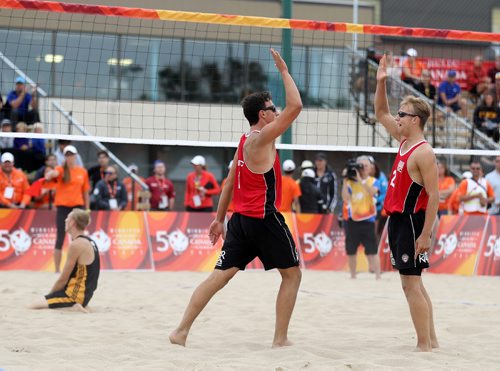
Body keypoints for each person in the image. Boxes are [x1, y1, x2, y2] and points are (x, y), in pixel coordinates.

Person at [170, 49, 302, 348]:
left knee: (218, 278)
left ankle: (180, 331)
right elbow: (296, 106)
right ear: (262, 115)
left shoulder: (244, 141)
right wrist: (283, 69)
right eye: (272, 107)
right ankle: (280, 339)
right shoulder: (261, 138)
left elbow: (230, 180)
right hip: (264, 220)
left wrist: (218, 218)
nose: (277, 110)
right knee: (292, 276)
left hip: (240, 221)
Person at [375, 54, 440, 352]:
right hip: (400, 221)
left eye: (402, 114)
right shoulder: (404, 142)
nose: (397, 117)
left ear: (415, 120)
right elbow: (379, 113)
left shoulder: (423, 152)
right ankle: (432, 341)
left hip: (412, 223)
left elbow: (435, 197)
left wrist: (426, 234)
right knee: (415, 283)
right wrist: (381, 81)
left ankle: (423, 344)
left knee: (410, 285)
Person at [30, 209, 100, 312]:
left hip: (74, 296)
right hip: (84, 295)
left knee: (32, 306)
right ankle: (76, 306)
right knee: (40, 303)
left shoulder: (76, 245)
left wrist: (50, 296)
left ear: (72, 222)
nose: (65, 220)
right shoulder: (90, 241)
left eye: (67, 218)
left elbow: (63, 279)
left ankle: (74, 307)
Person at [45, 145, 90, 273]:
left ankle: (81, 267)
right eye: (67, 155)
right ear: (65, 157)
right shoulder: (60, 169)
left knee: (80, 238)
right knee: (60, 237)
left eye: (72, 154)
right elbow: (54, 173)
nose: (70, 157)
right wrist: (49, 174)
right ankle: (57, 270)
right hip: (63, 208)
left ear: (76, 156)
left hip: (77, 208)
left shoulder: (82, 172)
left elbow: (86, 192)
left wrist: (87, 210)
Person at [341, 156, 380, 280]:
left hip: (368, 220)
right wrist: (345, 180)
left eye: (365, 166)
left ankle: (378, 276)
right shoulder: (350, 182)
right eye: (360, 166)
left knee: (372, 250)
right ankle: (353, 275)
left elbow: (373, 192)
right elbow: (345, 198)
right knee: (351, 250)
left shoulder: (373, 181)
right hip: (353, 220)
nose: (362, 168)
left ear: (370, 169)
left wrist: (360, 179)